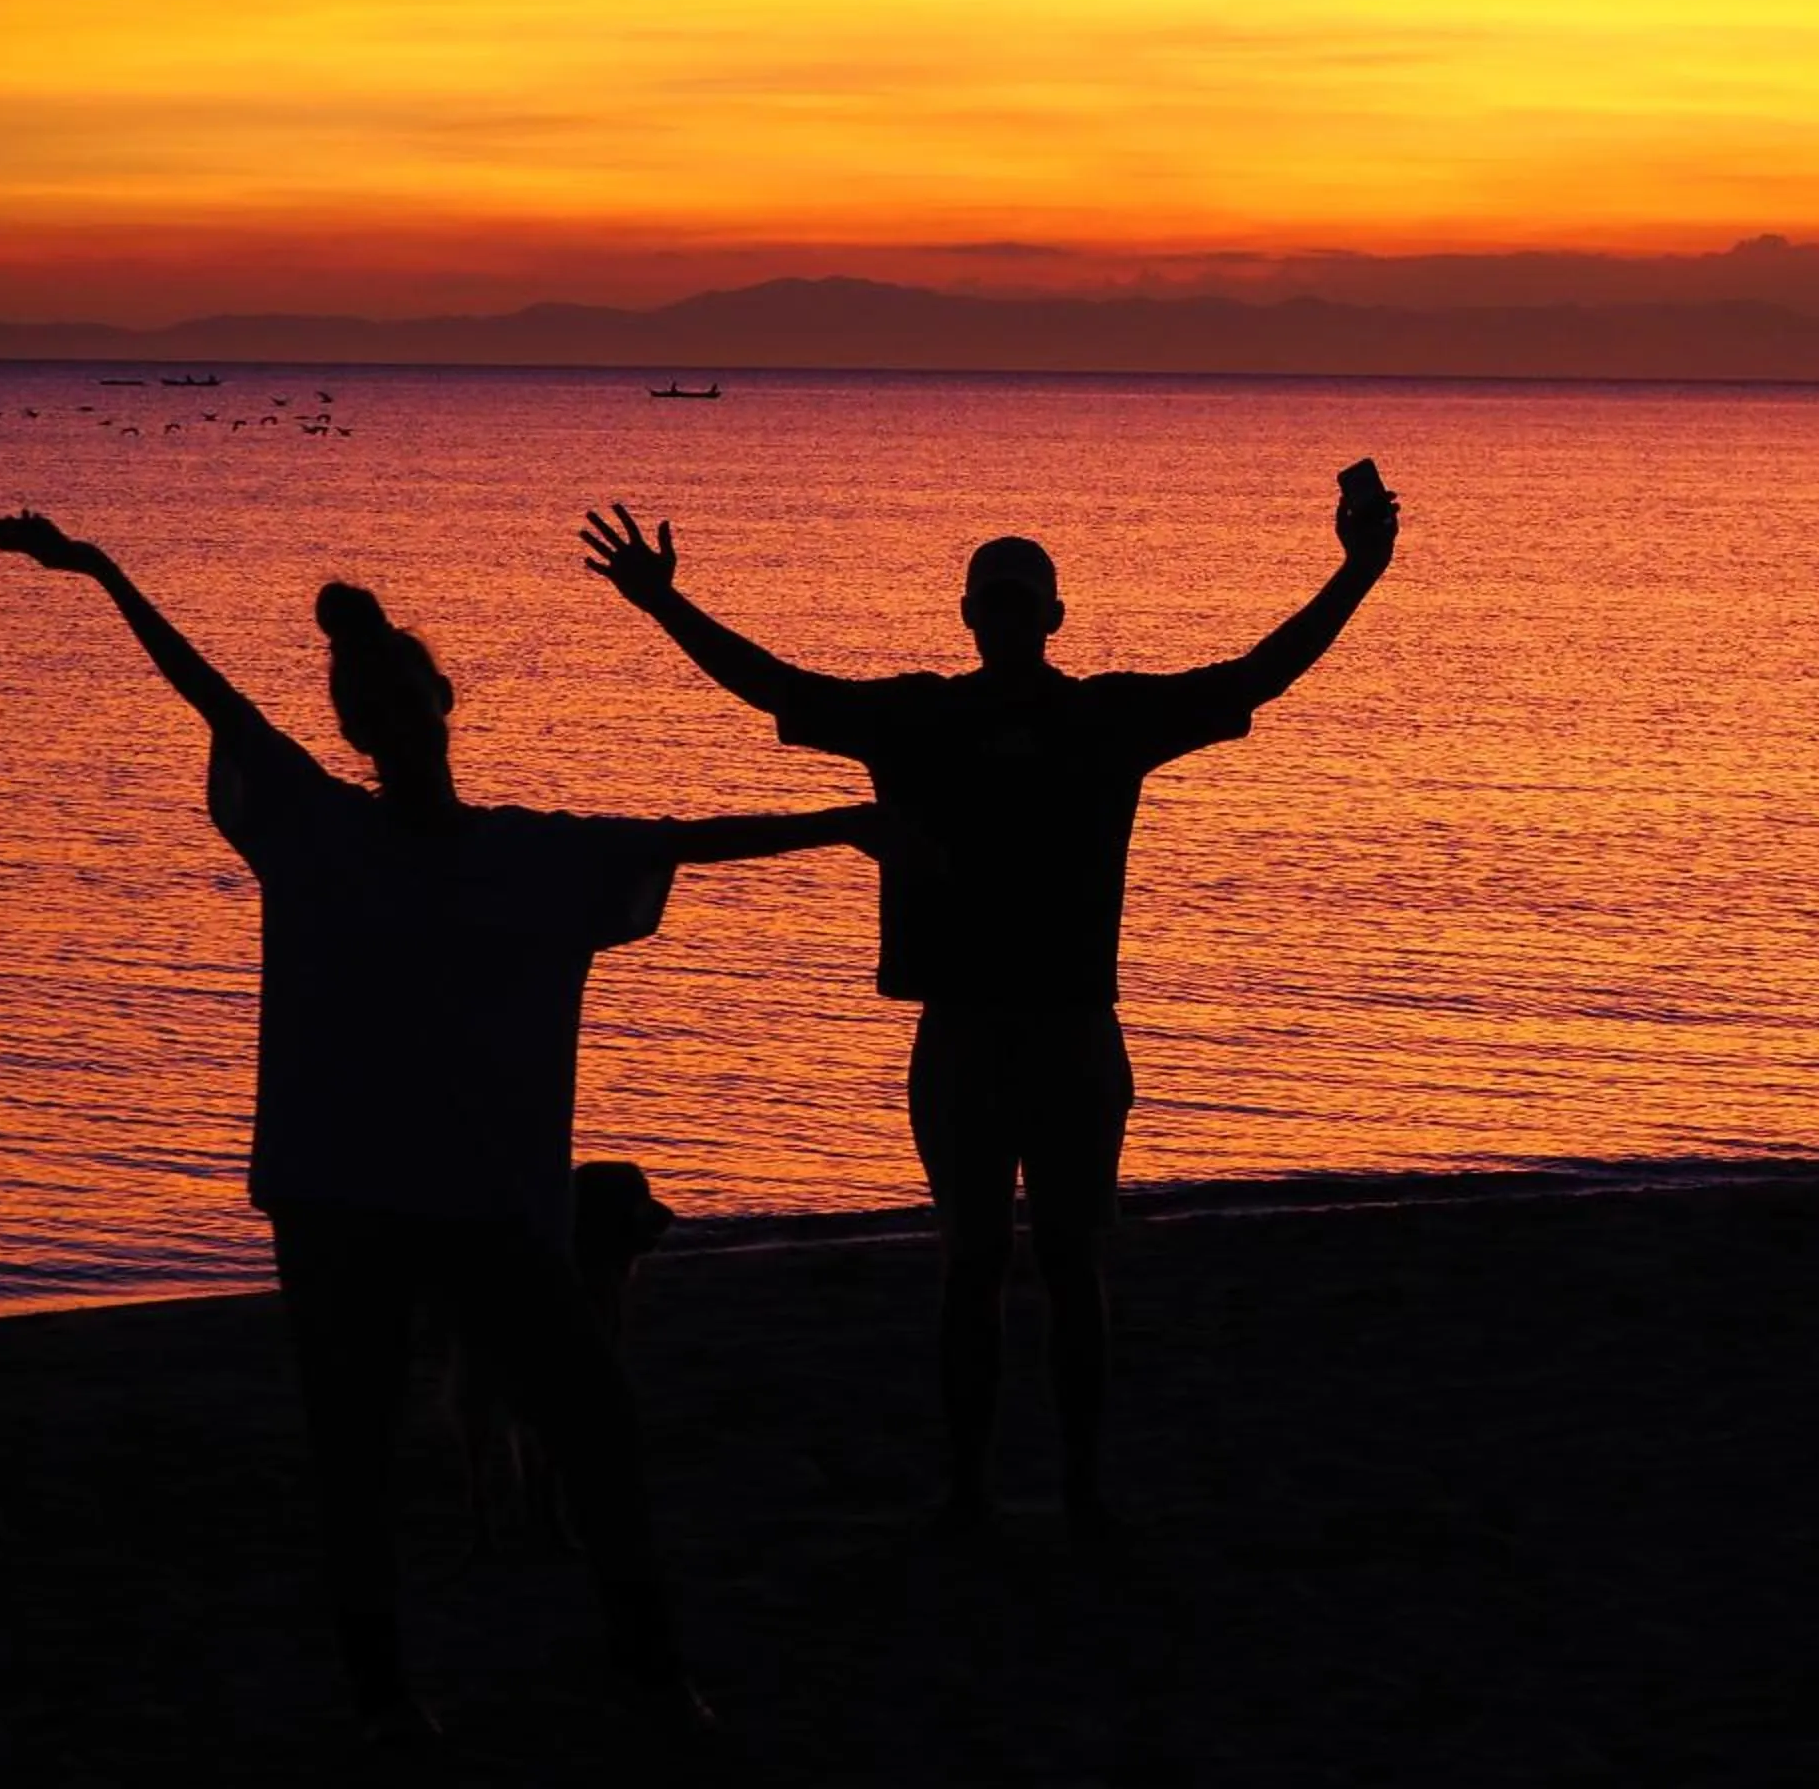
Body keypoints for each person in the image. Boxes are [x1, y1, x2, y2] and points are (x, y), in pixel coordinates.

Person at [0, 511, 880, 1734]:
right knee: (367, 1448)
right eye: (380, 708)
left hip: (459, 1206)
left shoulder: (500, 852)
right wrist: (102, 575)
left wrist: (851, 826)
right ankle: (411, 1699)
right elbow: (209, 694)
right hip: (361, 1200)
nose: (398, 723)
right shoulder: (329, 828)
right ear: (370, 723)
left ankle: (641, 1673)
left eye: (407, 701)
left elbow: (693, 840)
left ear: (438, 704)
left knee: (577, 1420)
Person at [577, 467, 1399, 1539]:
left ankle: (1078, 1489)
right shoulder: (931, 717)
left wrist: (1357, 573)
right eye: (995, 602)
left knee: (1064, 1261)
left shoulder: (1098, 717)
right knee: (974, 1261)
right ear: (974, 616)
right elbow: (775, 688)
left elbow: (1259, 673)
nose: (1008, 619)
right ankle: (977, 1489)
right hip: (971, 1032)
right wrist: (664, 606)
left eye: (1021, 602)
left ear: (1049, 617)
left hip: (1060, 1031)